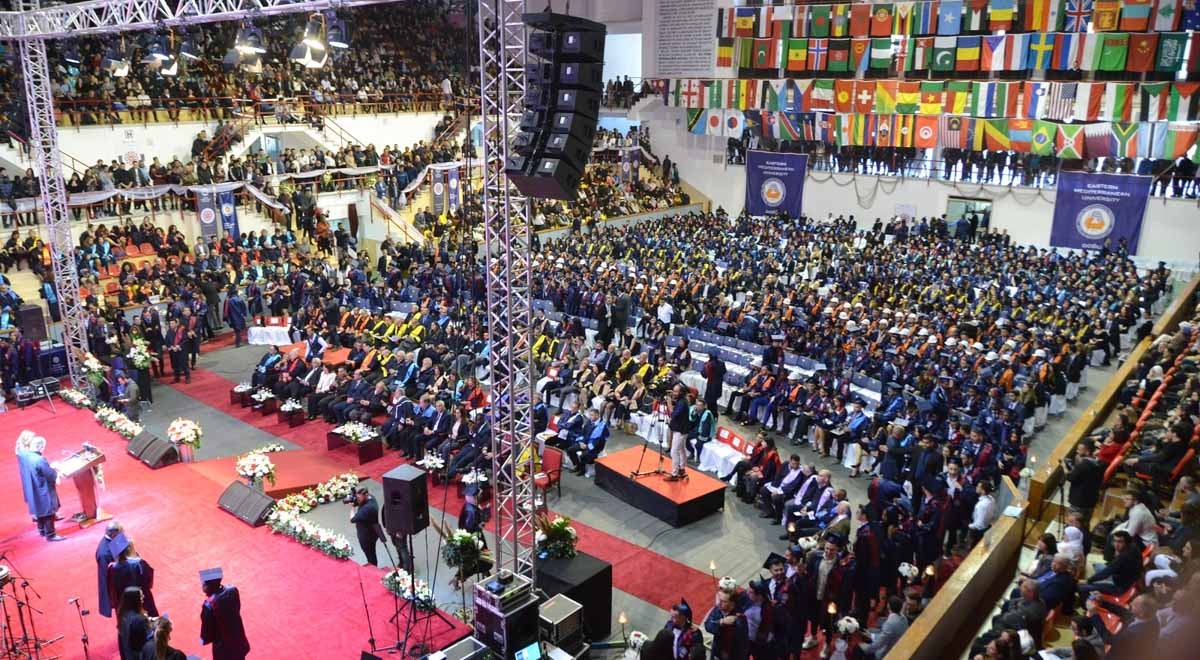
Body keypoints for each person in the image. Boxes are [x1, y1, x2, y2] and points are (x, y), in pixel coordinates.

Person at [199, 567, 250, 660]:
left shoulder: (208, 605)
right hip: (238, 640)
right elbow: (237, 608)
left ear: (208, 586)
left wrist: (203, 639)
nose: (202, 585)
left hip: (223, 648)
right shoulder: (232, 590)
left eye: (203, 584)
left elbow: (208, 632)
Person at [21, 436, 63, 541]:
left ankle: (42, 530)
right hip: (43, 488)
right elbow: (49, 474)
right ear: (40, 447)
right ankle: (51, 534)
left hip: (33, 486)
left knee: (39, 507)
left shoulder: (26, 456)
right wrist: (54, 469)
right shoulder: (39, 459)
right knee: (48, 509)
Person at [107, 534, 159, 617]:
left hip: (123, 606)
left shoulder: (111, 568)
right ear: (129, 549)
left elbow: (111, 590)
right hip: (142, 602)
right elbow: (149, 582)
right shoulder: (138, 563)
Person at [1063, 441, 1103, 527]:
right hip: (1090, 501)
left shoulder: (1083, 465)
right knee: (1084, 525)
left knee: (1073, 526)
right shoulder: (1098, 463)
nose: (1077, 451)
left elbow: (1070, 477)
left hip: (1079, 502)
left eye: (1080, 450)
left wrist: (1064, 467)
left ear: (1087, 452)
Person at [704, 589, 749, 660]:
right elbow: (707, 626)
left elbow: (742, 645)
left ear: (732, 603)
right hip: (717, 652)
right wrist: (721, 622)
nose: (719, 603)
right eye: (720, 600)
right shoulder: (717, 610)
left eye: (724, 601)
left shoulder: (740, 618)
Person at [350, 486, 383, 566]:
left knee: (369, 552)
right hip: (372, 531)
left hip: (367, 536)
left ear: (365, 495)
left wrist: (352, 508)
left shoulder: (367, 508)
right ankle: (371, 563)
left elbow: (352, 519)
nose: (358, 500)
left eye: (359, 498)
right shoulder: (370, 497)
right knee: (371, 552)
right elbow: (359, 502)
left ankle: (373, 566)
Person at [97, 521, 123, 618]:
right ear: (113, 534)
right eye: (121, 532)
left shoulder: (115, 538)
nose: (123, 534)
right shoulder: (103, 553)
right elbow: (106, 578)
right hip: (119, 590)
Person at [117, 586, 151, 660]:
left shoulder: (123, 615)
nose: (143, 597)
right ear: (135, 600)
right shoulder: (139, 620)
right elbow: (145, 643)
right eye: (141, 596)